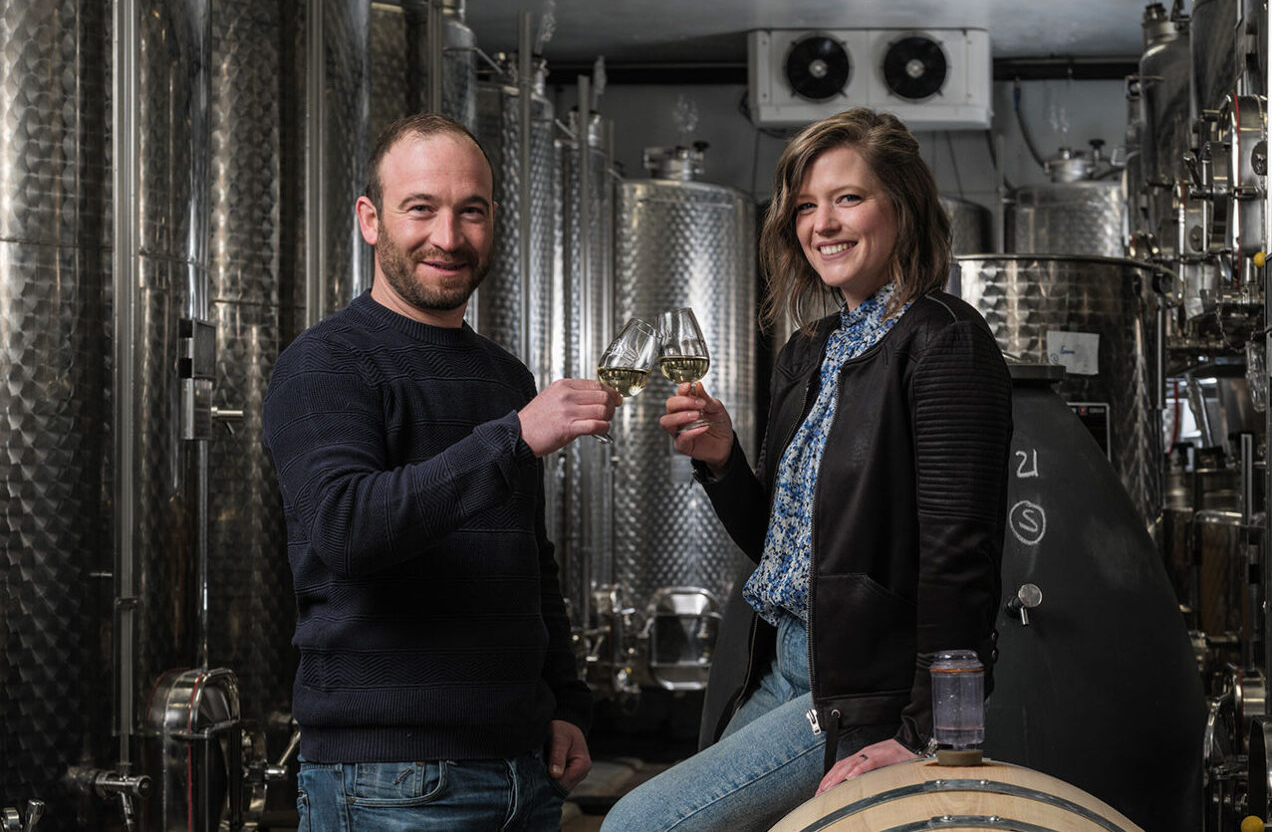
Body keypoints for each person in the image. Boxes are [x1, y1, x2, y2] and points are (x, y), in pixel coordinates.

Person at [601, 107, 1013, 832]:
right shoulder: (809, 351)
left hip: (861, 696)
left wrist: (932, 733)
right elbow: (790, 553)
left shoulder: (944, 342)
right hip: (779, 664)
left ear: (904, 205)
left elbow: (961, 561)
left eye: (848, 197)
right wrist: (724, 463)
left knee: (640, 825)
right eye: (805, 207)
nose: (823, 223)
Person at [263, 112, 621, 831]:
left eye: (471, 212)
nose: (449, 238)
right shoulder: (327, 363)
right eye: (420, 209)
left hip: (525, 769)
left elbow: (529, 559)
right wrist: (513, 439)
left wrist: (566, 702)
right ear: (371, 219)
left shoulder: (503, 375)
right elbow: (345, 528)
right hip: (389, 783)